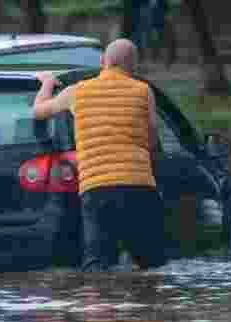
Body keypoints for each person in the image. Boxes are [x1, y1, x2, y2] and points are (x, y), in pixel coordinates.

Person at [32, 38, 166, 272]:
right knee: (150, 263)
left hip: (97, 187)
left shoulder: (78, 92)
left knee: (97, 263)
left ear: (103, 61)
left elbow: (39, 111)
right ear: (134, 66)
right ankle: (148, 306)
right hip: (138, 185)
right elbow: (152, 138)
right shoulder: (144, 91)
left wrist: (47, 82)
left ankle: (100, 304)